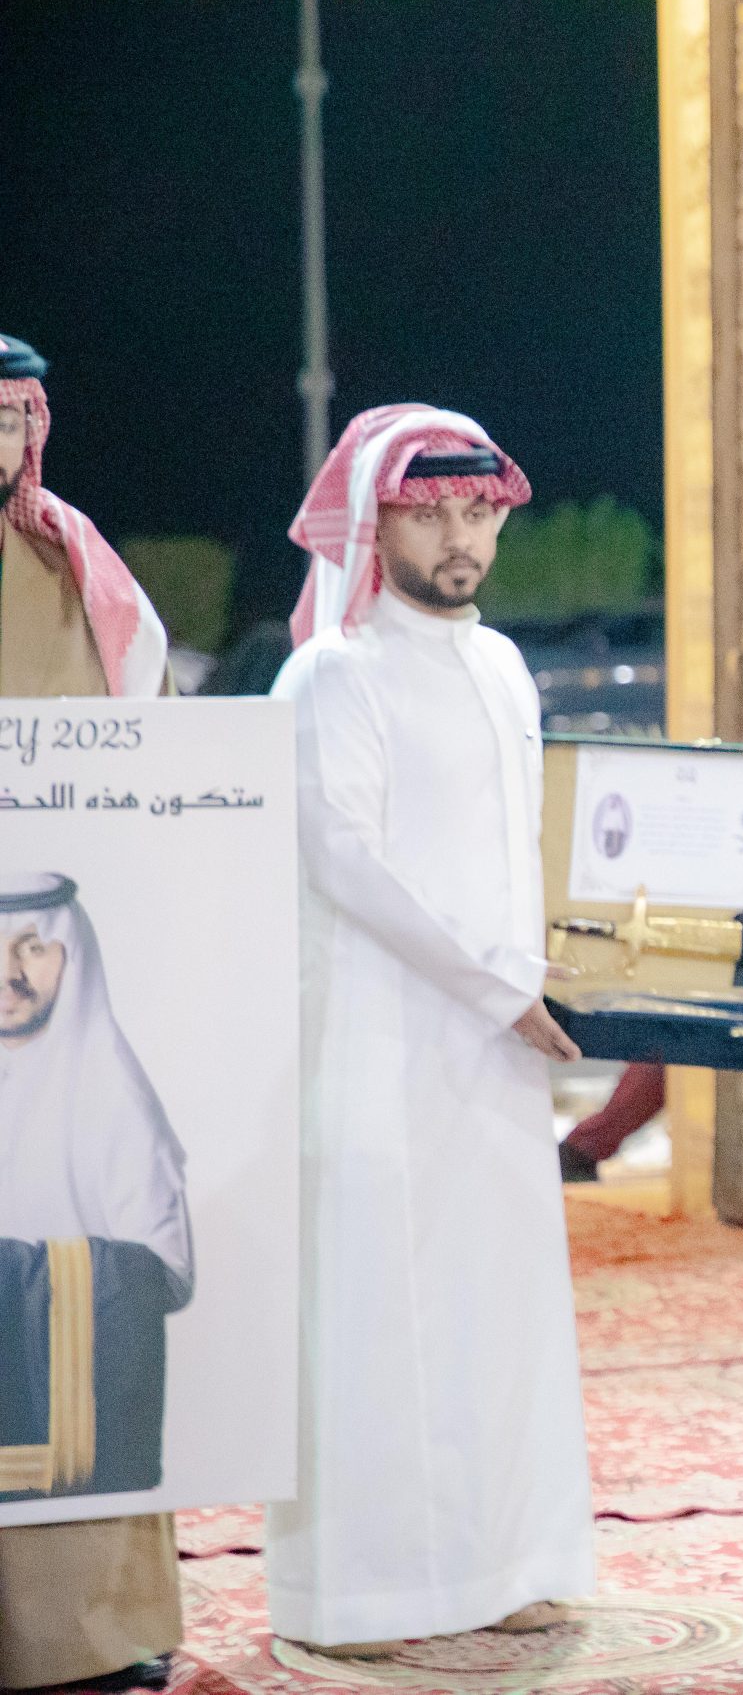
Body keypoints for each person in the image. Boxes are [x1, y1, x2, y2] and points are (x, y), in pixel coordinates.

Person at [265, 406, 595, 1653]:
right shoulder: (333, 674)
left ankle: (500, 1569)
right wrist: (498, 987)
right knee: (375, 1319)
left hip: (496, 1048)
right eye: (429, 513)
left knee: (494, 1315)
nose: (459, 536)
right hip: (377, 1046)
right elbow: (349, 863)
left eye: (476, 510)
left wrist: (533, 976)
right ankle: (358, 1598)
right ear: (375, 524)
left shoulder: (502, 665)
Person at [0, 335, 182, 1695]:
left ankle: (91, 1630)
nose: (3, 440)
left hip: (50, 963)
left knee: (76, 1302)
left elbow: (157, 745)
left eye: (18, 417)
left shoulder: (82, 570)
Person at [0, 874, 195, 1502]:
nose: (8, 974)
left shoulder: (115, 1100)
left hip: (69, 1452)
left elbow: (163, 1273)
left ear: (71, 957)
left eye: (32, 947)